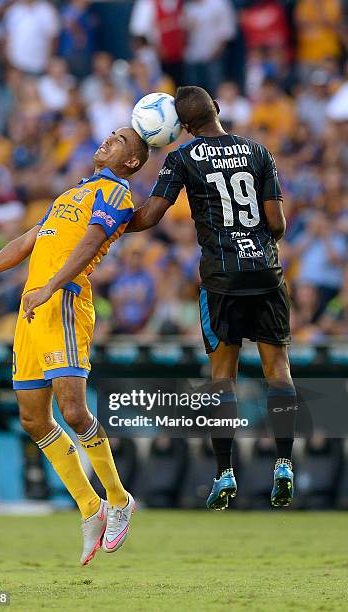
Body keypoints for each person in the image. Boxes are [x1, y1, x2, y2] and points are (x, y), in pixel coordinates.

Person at [0, 127, 149, 564]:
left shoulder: (117, 193)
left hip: (63, 301)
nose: (107, 140)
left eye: (118, 141)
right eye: (112, 135)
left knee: (74, 410)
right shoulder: (72, 193)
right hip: (33, 308)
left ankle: (118, 499)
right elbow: (28, 241)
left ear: (131, 161)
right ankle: (89, 507)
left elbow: (93, 242)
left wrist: (50, 287)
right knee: (32, 418)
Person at [127, 86, 297, 510]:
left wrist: (105, 223)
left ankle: (224, 471)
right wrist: (257, 239)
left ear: (183, 128)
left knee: (223, 378)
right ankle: (284, 463)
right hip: (265, 273)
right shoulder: (259, 152)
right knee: (278, 370)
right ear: (217, 109)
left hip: (221, 280)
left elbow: (149, 217)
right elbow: (277, 223)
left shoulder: (181, 158)